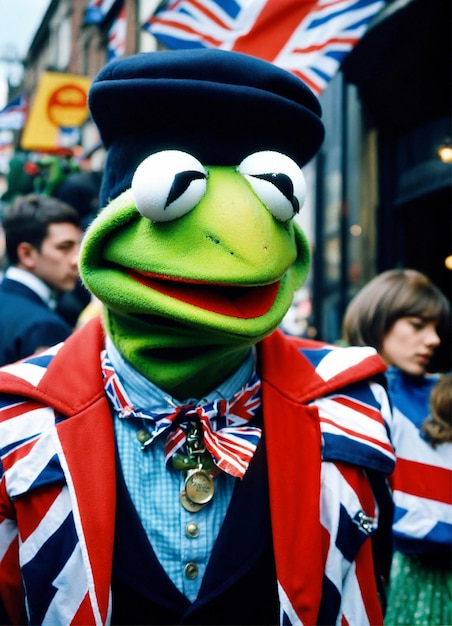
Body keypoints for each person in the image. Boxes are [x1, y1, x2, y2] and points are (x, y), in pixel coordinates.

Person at [0, 50, 395, 625]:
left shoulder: (349, 405)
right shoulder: (19, 416)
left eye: (273, 195)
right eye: (174, 193)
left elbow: (363, 586)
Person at [342, 268, 452, 626]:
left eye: (436, 327)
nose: (434, 339)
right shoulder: (343, 395)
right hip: (381, 569)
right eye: (418, 325)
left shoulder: (438, 392)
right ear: (379, 318)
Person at [0, 193, 81, 366]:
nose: (76, 259)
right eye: (64, 248)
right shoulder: (43, 326)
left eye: (78, 245)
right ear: (27, 254)